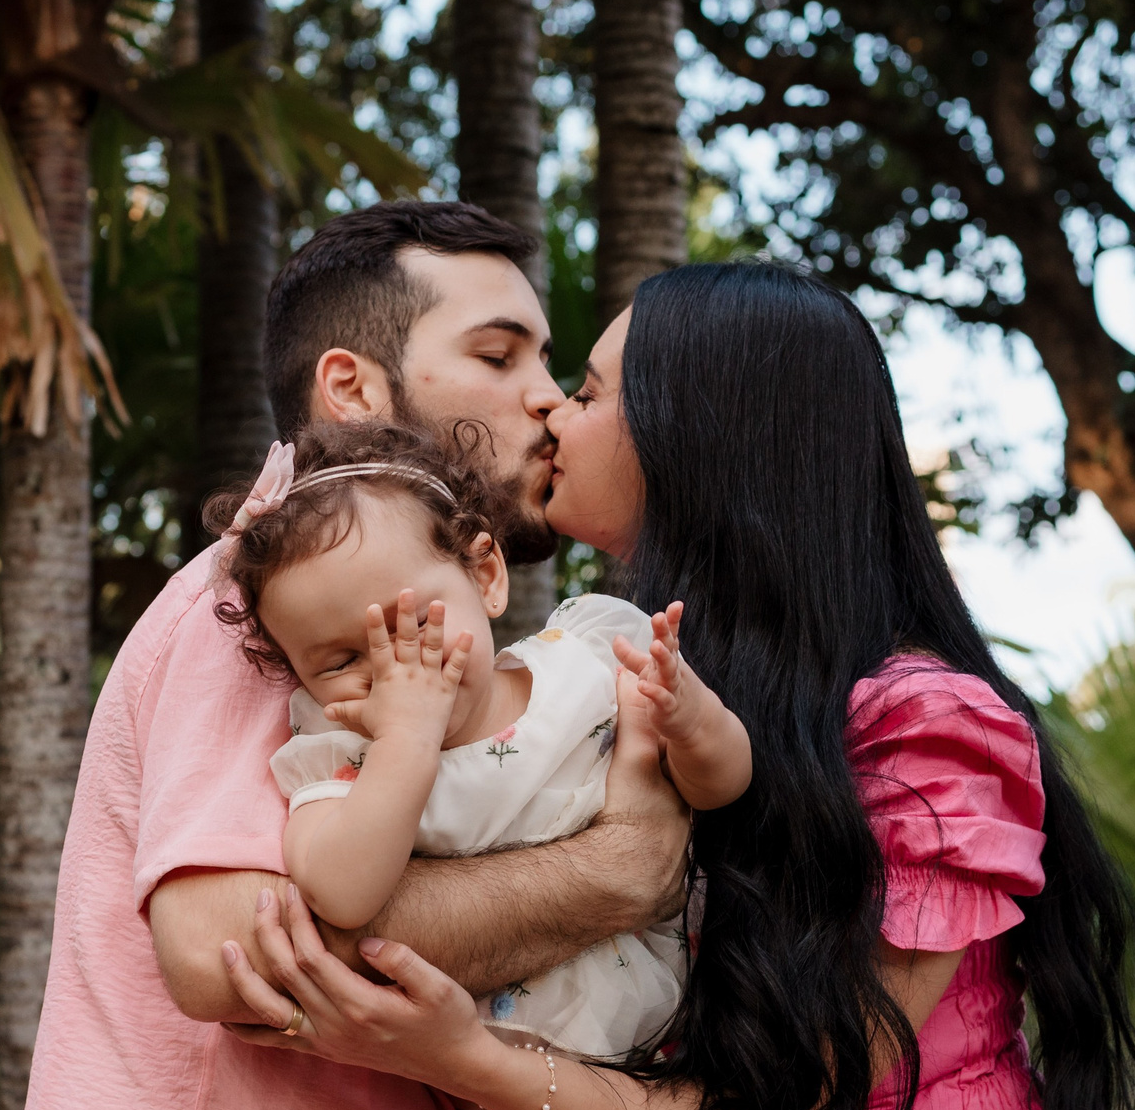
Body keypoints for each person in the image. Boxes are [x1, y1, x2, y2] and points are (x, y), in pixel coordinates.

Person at [222, 261, 1135, 1110]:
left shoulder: (922, 726)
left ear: (703, 434)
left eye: (592, 390)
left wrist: (467, 1056)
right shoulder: (633, 711)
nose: (549, 408)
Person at [0, 203, 694, 1110]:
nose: (541, 397)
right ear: (350, 388)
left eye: (547, 360)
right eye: (497, 353)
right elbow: (221, 955)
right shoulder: (278, 601)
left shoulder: (401, 619)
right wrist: (619, 872)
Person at [214, 419, 748, 1058]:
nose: (393, 670)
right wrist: (405, 741)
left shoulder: (589, 655)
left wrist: (693, 722)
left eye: (412, 624)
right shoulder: (344, 751)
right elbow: (341, 897)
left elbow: (722, 787)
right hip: (487, 1049)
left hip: (676, 999)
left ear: (486, 574)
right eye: (336, 663)